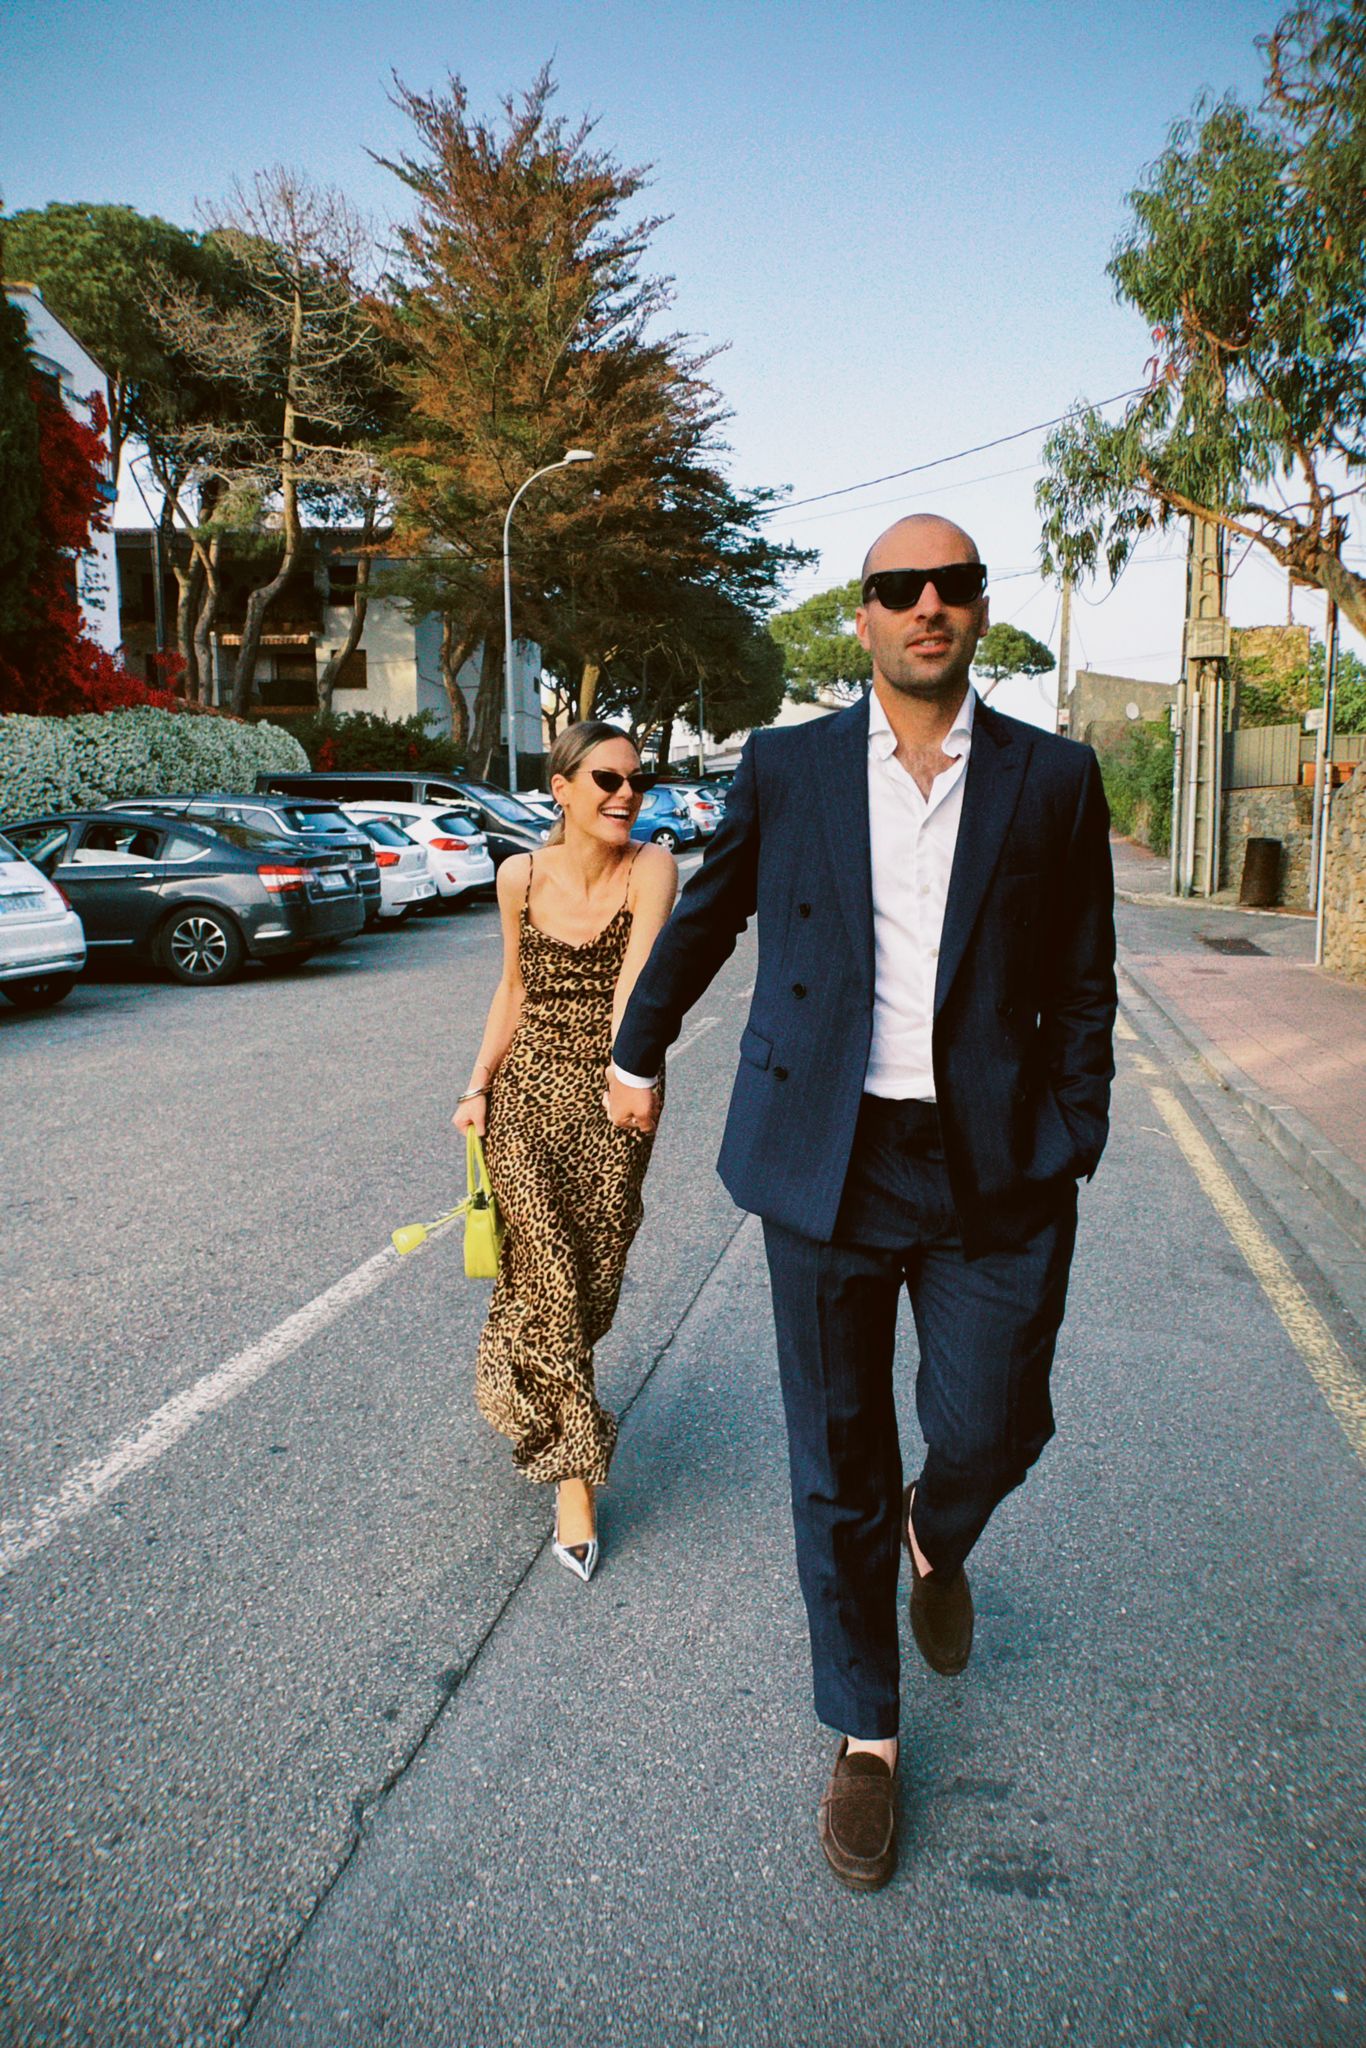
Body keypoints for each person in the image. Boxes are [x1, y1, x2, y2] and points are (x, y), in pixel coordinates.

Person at [608, 514, 1116, 1887]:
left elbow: (1081, 976)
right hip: (823, 1160)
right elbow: (708, 915)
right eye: (899, 589)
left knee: (993, 1423)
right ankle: (865, 1735)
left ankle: (934, 1538)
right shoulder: (786, 767)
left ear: (979, 610)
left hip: (995, 1166)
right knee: (835, 1452)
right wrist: (633, 1046)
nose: (926, 607)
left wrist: (1074, 1128)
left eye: (950, 586)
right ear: (865, 618)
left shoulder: (1054, 779)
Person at [455, 721, 677, 1581]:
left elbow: (635, 986)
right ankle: (573, 1478)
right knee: (545, 1264)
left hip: (613, 1091)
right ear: (562, 786)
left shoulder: (651, 867)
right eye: (606, 779)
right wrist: (476, 1085)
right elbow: (513, 986)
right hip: (525, 1097)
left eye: (636, 781)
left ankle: (519, 1382)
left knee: (588, 1280)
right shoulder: (518, 875)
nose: (625, 794)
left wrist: (632, 1079)